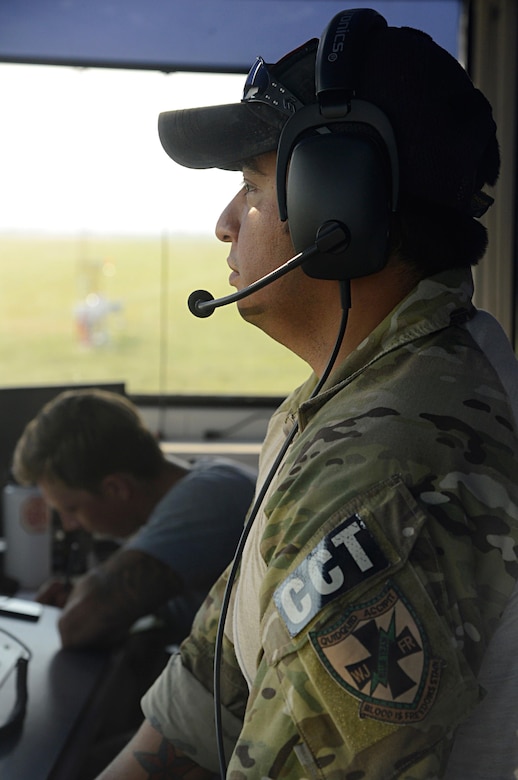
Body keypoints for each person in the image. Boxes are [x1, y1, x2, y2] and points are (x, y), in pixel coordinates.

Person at [96, 8, 518, 780]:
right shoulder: (345, 402)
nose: (225, 223)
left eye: (252, 184)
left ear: (338, 208)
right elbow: (218, 671)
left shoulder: (386, 464)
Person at [11, 388, 257, 649]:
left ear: (116, 489)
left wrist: (91, 597)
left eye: (71, 509)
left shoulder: (205, 503)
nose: (69, 525)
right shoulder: (206, 475)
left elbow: (78, 626)